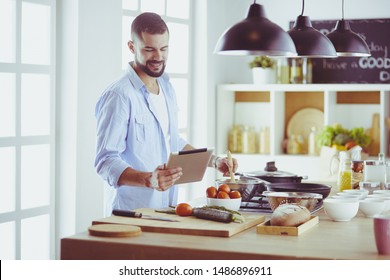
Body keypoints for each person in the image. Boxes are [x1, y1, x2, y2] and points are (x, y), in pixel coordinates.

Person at [94, 12, 238, 211]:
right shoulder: (119, 95)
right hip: (129, 214)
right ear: (131, 47)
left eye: (164, 48)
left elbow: (171, 140)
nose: (158, 57)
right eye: (149, 49)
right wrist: (149, 180)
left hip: (166, 209)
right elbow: (105, 161)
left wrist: (214, 161)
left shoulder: (166, 87)